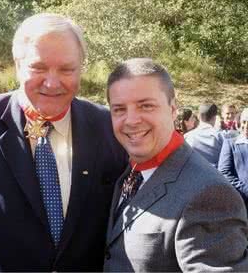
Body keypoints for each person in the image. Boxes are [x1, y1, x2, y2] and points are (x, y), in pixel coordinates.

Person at [0, 13, 127, 271]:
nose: (52, 82)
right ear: (18, 64)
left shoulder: (108, 125)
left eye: (67, 69)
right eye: (39, 68)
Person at [103, 58, 248, 272]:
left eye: (146, 105)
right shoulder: (130, 172)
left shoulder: (209, 195)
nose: (131, 120)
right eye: (119, 109)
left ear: (173, 110)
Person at [218, 108, 248, 207]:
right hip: (242, 201)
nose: (246, 126)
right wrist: (246, 190)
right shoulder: (231, 144)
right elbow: (224, 173)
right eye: (244, 122)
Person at [184, 102, 224, 168]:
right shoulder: (221, 136)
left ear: (198, 116)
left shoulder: (187, 137)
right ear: (215, 117)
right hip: (216, 175)